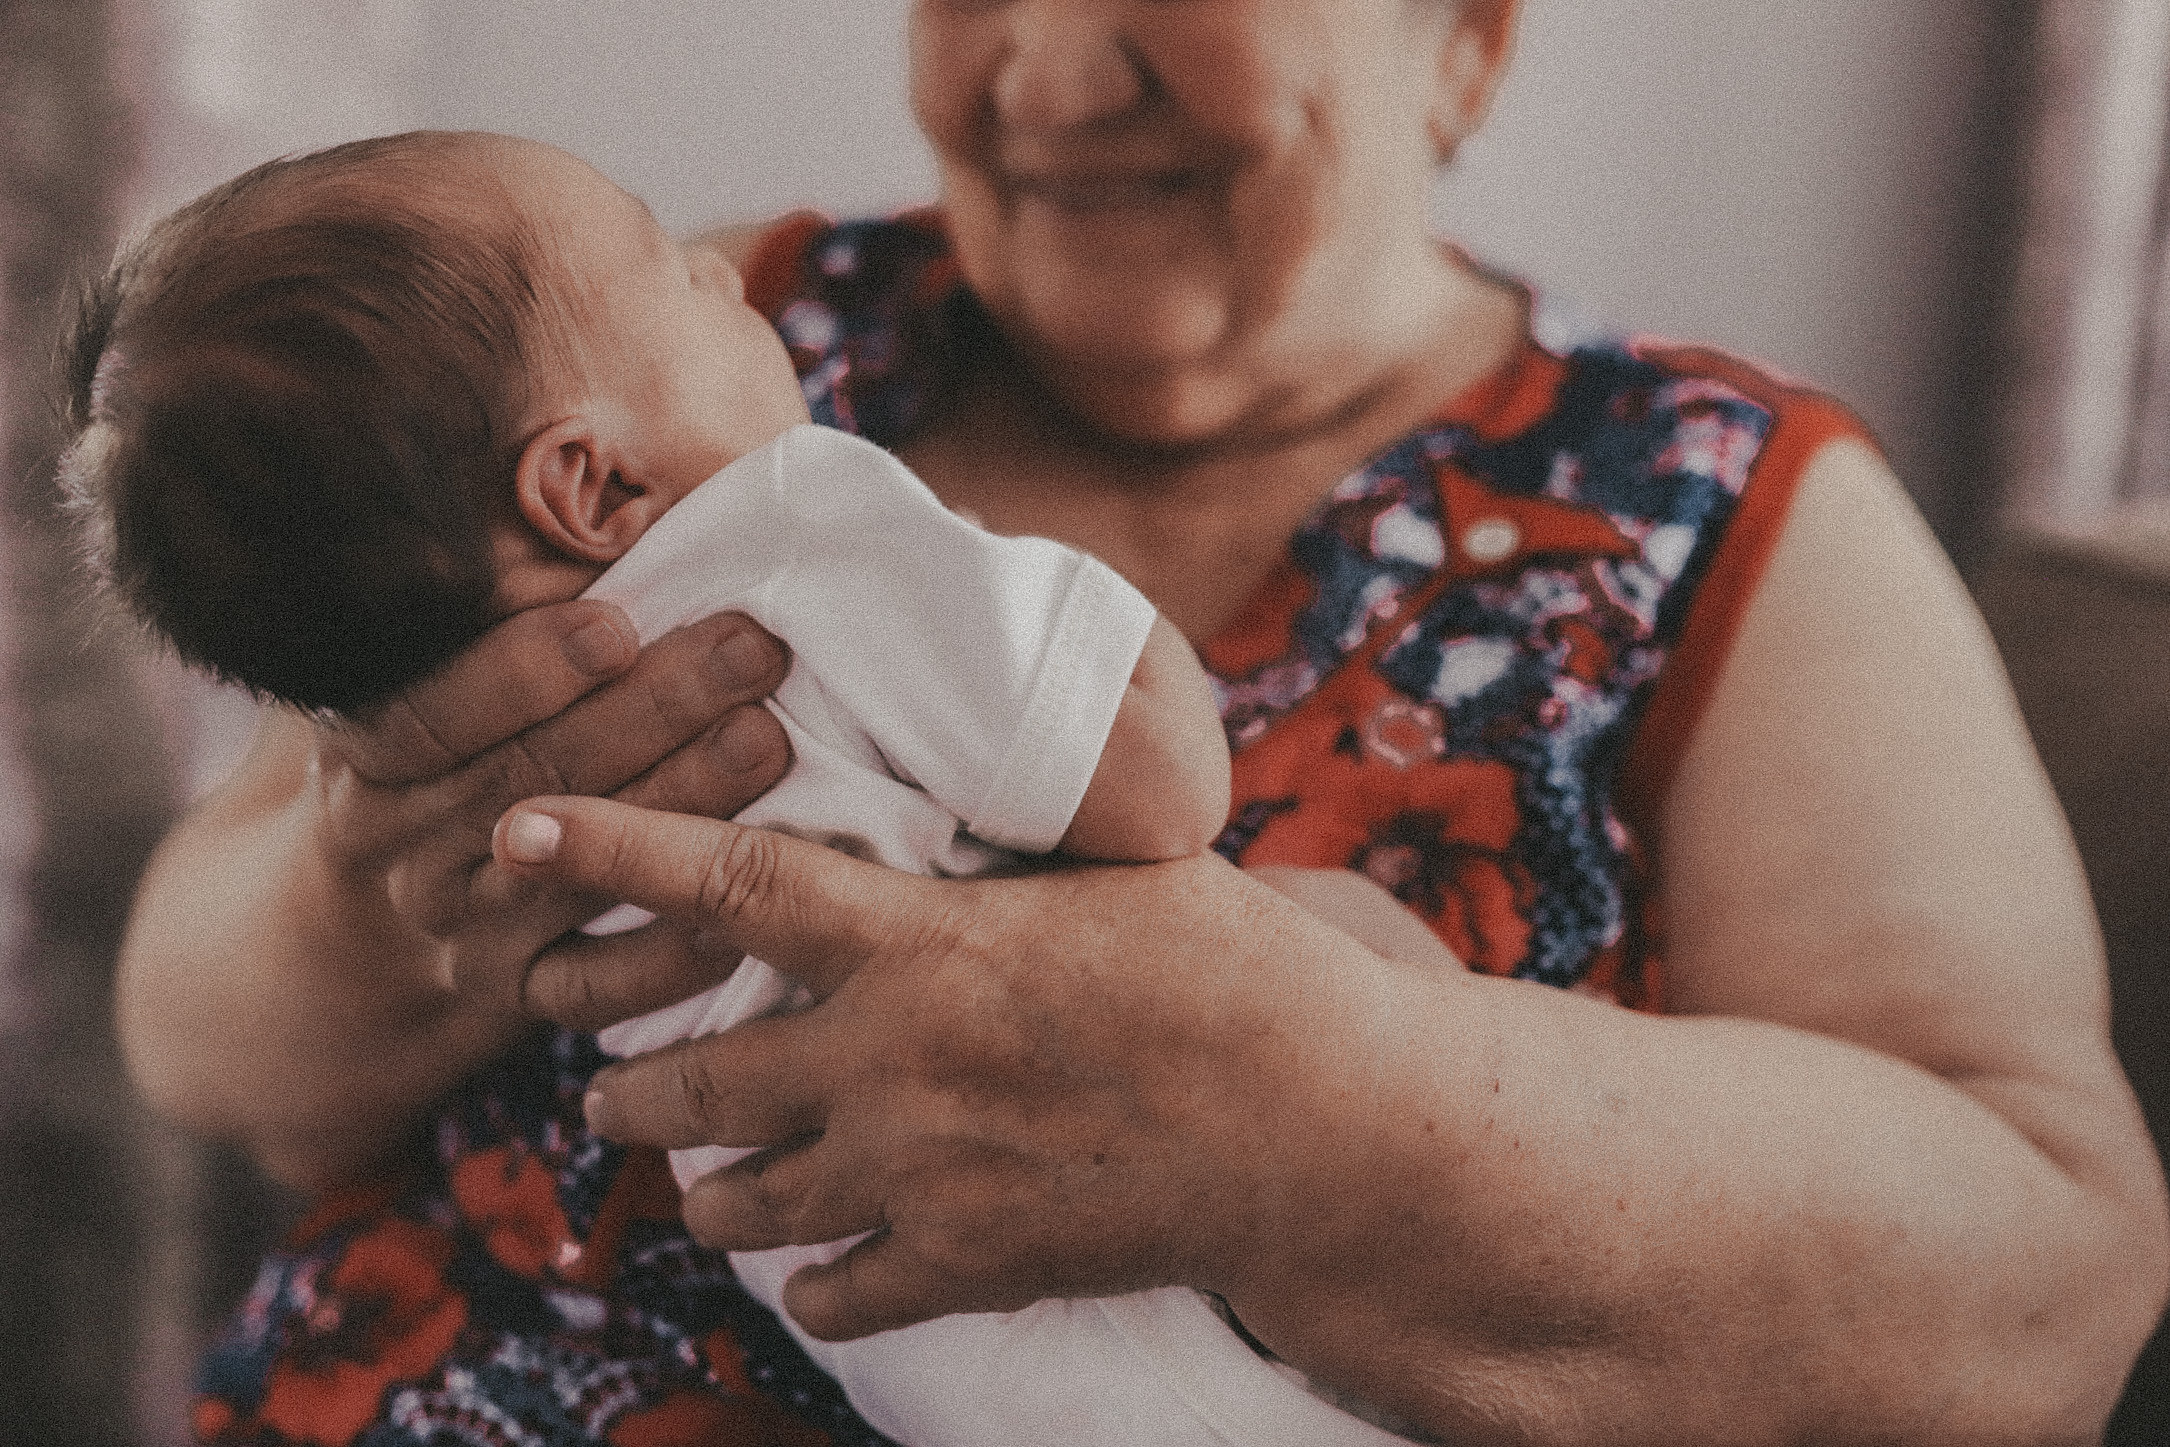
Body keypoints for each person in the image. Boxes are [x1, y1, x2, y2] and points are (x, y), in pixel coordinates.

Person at [107, 1, 2169, 1443]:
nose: (1051, 70)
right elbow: (206, 1051)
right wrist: (387, 887)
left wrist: (1339, 1104)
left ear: (1462, 37)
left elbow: (2043, 1292)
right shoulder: (673, 347)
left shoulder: (1716, 505)